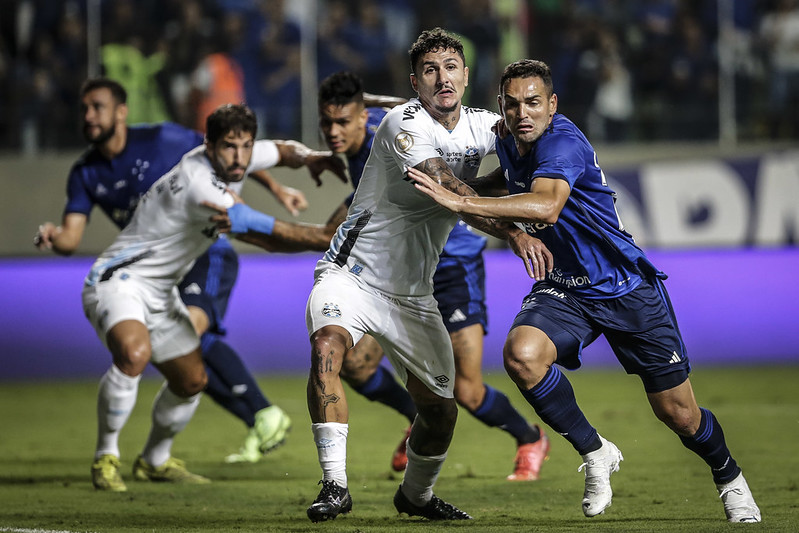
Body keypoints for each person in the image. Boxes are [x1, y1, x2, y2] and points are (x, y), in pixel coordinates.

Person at [409, 59, 761, 523]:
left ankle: (730, 477)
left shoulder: (562, 141)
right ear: (501, 106)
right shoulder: (508, 140)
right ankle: (595, 451)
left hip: (624, 286)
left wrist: (460, 200)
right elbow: (508, 184)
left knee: (679, 415)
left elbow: (547, 205)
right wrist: (467, 192)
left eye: (533, 102)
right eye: (512, 104)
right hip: (567, 287)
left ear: (552, 105)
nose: (522, 113)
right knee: (522, 355)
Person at [303, 29, 551, 522]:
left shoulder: (486, 126)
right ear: (416, 83)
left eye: (452, 67)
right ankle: (334, 485)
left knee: (441, 411)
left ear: (465, 74)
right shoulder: (403, 122)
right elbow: (450, 188)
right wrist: (516, 232)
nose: (444, 77)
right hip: (350, 276)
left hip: (414, 294)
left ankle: (415, 497)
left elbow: (532, 149)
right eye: (431, 70)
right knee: (329, 348)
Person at [38, 96, 345, 492]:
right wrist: (326, 236)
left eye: (246, 147)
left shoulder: (238, 156)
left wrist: (311, 157)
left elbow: (283, 150)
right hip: (117, 279)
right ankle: (105, 456)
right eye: (229, 147)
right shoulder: (200, 185)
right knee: (134, 354)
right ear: (209, 146)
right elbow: (266, 237)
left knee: (192, 381)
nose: (239, 157)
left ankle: (154, 459)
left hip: (160, 292)